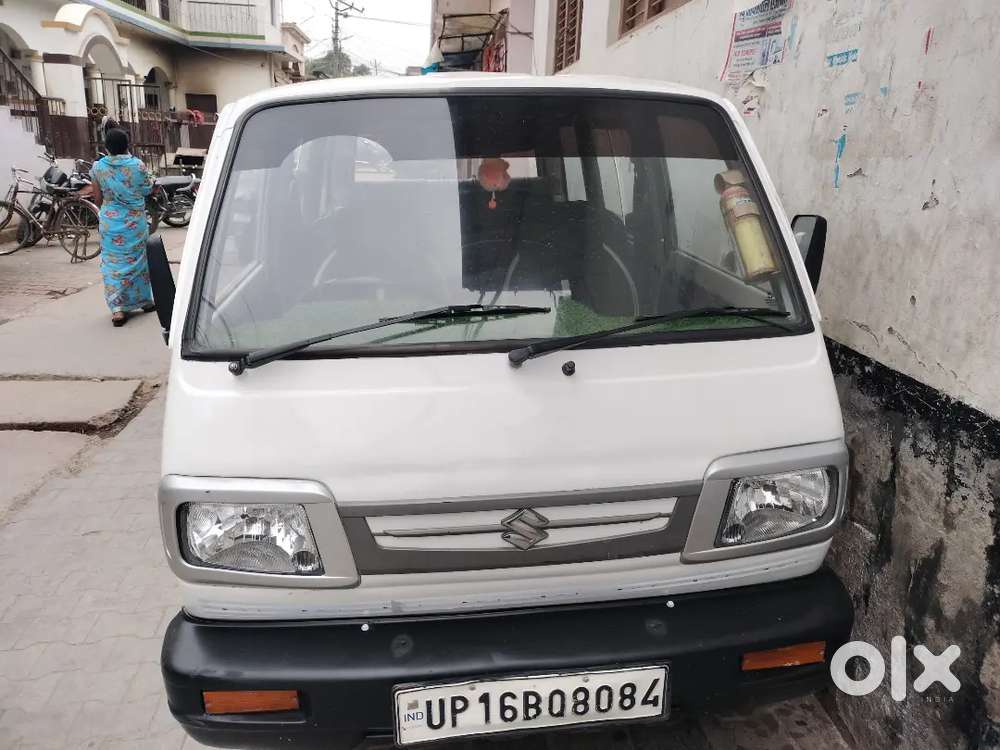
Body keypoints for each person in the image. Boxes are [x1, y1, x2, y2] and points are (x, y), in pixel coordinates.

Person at [88, 128, 156, 326]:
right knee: (138, 261)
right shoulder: (138, 165)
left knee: (113, 264)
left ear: (106, 147)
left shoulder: (98, 167)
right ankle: (145, 301)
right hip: (134, 222)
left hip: (111, 222)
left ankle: (118, 310)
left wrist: (111, 210)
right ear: (127, 145)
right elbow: (147, 189)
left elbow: (98, 198)